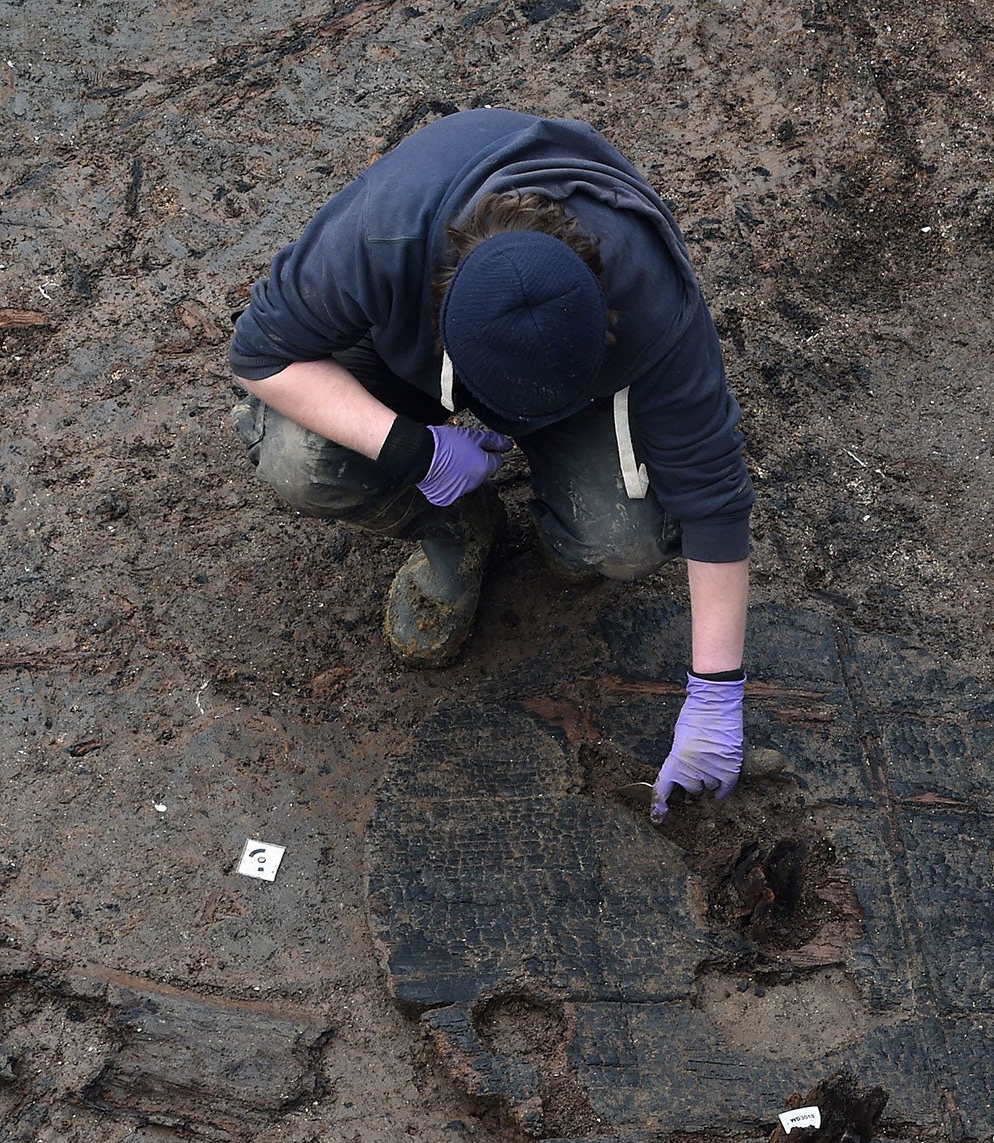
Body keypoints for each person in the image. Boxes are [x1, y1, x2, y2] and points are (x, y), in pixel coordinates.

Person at [227, 108, 748, 822]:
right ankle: (457, 526)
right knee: (299, 458)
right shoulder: (383, 239)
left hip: (568, 375)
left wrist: (717, 694)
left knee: (624, 540)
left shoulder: (651, 295)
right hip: (412, 360)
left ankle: (564, 535)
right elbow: (259, 354)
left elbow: (715, 493)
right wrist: (413, 445)